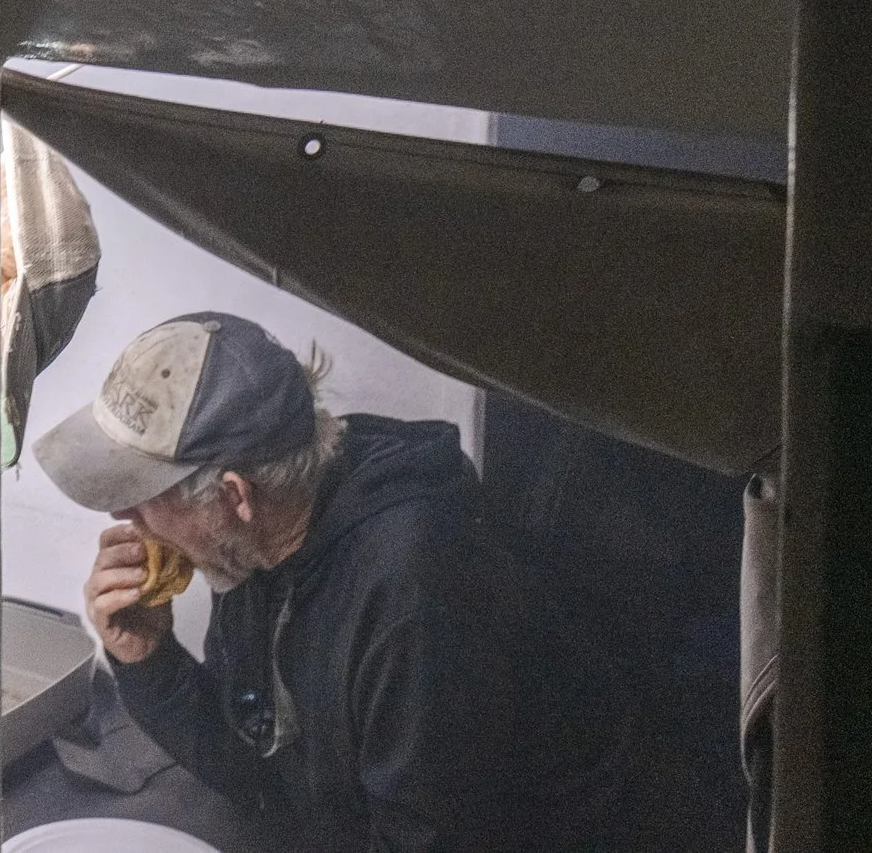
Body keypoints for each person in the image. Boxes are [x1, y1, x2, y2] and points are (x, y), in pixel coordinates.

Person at [34, 312, 655, 853]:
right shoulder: (255, 549)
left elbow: (430, 841)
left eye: (142, 497)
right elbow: (256, 769)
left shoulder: (416, 599)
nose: (124, 518)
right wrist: (145, 659)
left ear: (233, 496)